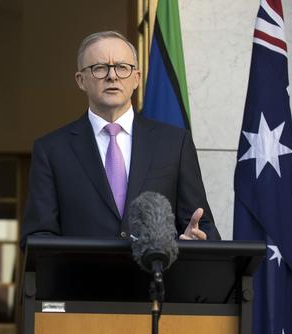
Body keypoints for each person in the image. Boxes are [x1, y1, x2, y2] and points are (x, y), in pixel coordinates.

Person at [21, 31, 220, 246]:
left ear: (136, 78)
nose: (112, 76)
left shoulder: (174, 143)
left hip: (156, 277)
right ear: (81, 80)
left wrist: (195, 240)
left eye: (122, 67)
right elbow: (38, 237)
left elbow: (202, 223)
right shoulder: (52, 149)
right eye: (99, 68)